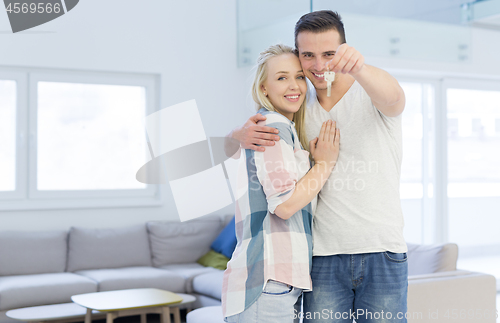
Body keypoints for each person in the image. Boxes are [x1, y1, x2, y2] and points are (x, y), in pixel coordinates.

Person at [226, 11, 408, 323]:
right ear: (299, 56)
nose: (319, 66)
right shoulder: (297, 107)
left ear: (344, 51)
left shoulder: (371, 92)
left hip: (382, 249)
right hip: (321, 256)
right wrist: (234, 136)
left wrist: (360, 67)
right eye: (308, 56)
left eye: (329, 54)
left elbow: (395, 99)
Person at [221, 44, 340, 323]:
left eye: (299, 76)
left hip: (275, 282)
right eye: (282, 77)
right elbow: (284, 205)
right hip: (268, 281)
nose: (294, 85)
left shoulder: (280, 128)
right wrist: (324, 163)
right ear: (264, 88)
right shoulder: (272, 127)